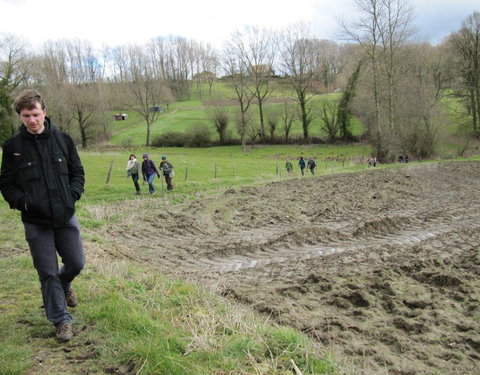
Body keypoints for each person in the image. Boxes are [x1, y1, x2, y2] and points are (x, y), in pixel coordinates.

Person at [0, 90, 85, 343]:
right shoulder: (13, 147)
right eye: (26, 116)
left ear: (44, 112)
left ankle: (64, 283)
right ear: (21, 116)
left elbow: (77, 173)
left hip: (65, 216)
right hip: (36, 221)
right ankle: (61, 321)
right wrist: (23, 203)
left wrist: (72, 196)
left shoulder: (64, 140)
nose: (32, 120)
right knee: (47, 272)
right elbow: (6, 183)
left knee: (76, 263)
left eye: (36, 114)